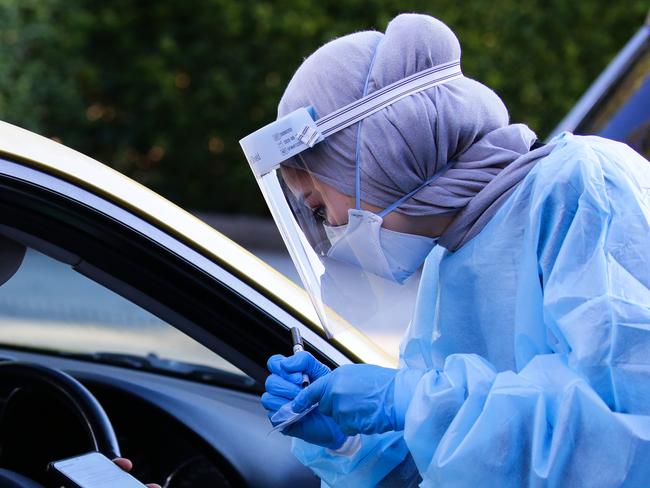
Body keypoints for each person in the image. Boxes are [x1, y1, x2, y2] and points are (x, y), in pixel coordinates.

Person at [243, 13, 650, 487]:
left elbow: (626, 436)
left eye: (319, 205)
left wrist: (407, 400)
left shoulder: (583, 187)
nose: (332, 226)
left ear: (378, 155)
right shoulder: (450, 260)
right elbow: (452, 466)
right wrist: (350, 442)